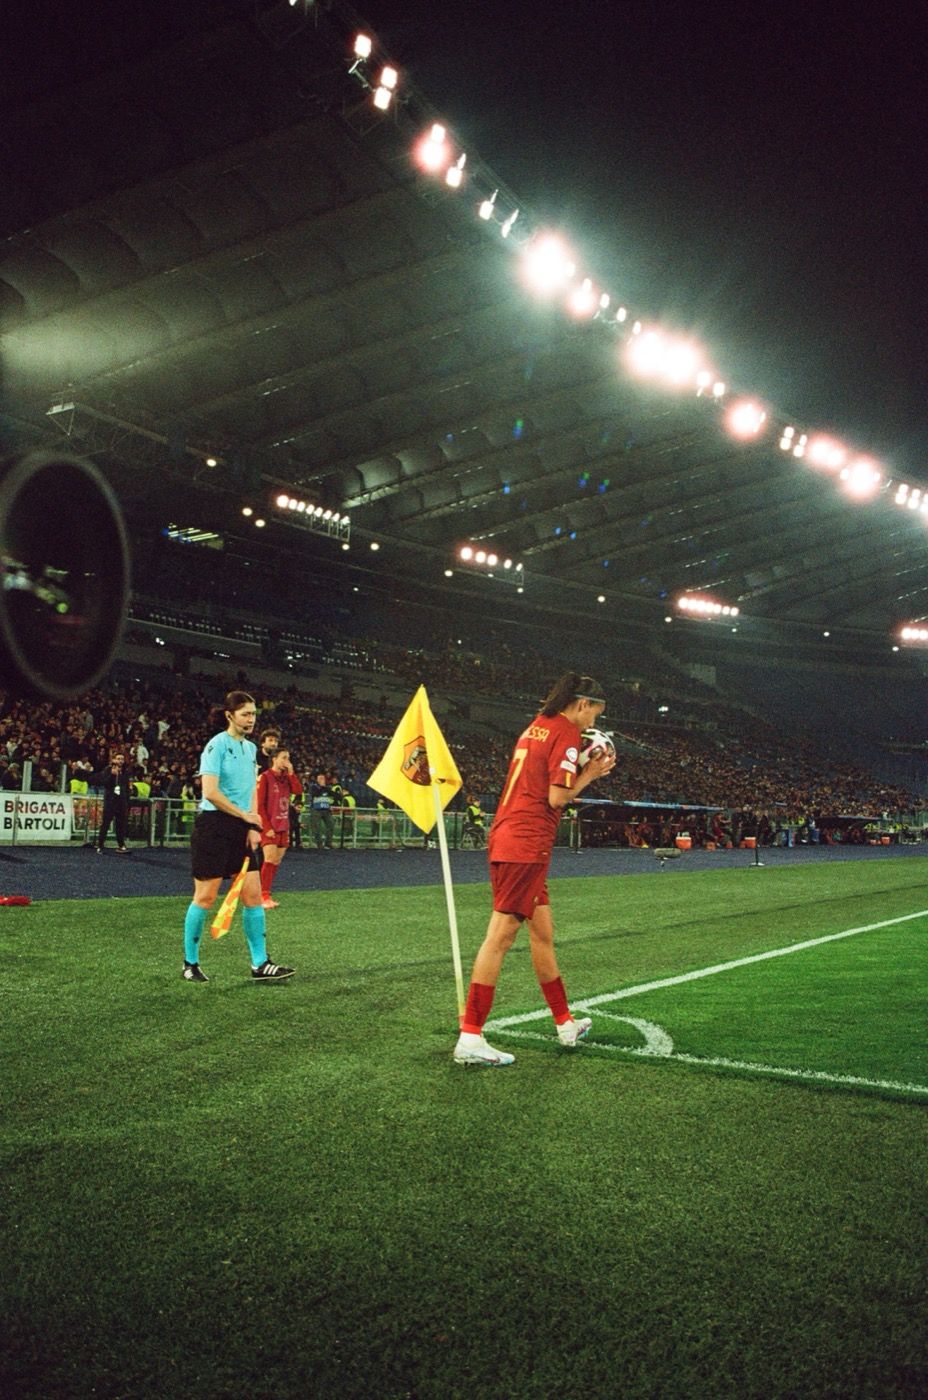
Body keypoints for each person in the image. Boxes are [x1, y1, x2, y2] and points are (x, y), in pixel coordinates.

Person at [453, 672, 616, 1067]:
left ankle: (564, 1022)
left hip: (511, 836)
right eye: (595, 713)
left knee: (542, 934)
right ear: (582, 704)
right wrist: (590, 775)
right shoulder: (565, 732)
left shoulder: (536, 726)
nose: (593, 722)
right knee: (500, 936)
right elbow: (557, 797)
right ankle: (470, 1036)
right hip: (526, 843)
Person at [181, 691, 294, 983]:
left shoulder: (251, 749)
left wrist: (252, 825)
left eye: (254, 714)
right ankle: (190, 963)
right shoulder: (216, 746)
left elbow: (250, 792)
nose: (251, 719)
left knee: (253, 896)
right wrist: (245, 816)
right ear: (229, 715)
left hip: (241, 828)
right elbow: (210, 792)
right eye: (245, 714)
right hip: (214, 827)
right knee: (205, 897)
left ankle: (260, 963)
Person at [256, 747, 303, 909]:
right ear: (274, 759)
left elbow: (298, 790)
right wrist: (266, 826)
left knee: (275, 861)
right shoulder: (265, 777)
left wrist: (291, 773)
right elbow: (259, 805)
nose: (287, 761)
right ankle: (261, 896)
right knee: (269, 859)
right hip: (270, 826)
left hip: (283, 825)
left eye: (288, 758)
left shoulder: (286, 778)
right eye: (284, 758)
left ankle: (266, 893)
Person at [94, 752, 130, 853]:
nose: (120, 761)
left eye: (122, 759)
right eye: (118, 759)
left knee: (120, 824)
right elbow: (105, 783)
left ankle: (121, 845)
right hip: (110, 801)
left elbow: (126, 787)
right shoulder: (107, 770)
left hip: (121, 801)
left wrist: (127, 800)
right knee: (105, 824)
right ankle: (100, 845)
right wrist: (112, 775)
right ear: (114, 760)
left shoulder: (125, 772)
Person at [307, 772, 334, 850]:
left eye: (323, 778)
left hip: (326, 808)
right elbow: (316, 794)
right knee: (317, 827)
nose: (322, 780)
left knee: (331, 825)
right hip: (316, 809)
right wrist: (322, 787)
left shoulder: (328, 787)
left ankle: (328, 843)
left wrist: (331, 804)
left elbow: (331, 795)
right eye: (320, 778)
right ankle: (319, 844)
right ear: (317, 780)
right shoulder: (313, 787)